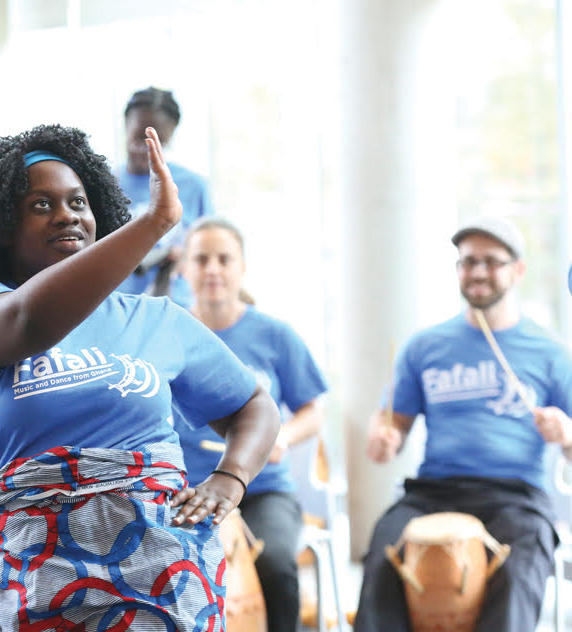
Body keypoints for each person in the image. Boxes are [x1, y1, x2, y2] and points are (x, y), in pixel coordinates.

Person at [0, 123, 281, 630]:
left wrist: (230, 479)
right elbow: (26, 322)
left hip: (163, 584)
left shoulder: (153, 319)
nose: (67, 216)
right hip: (32, 585)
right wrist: (154, 223)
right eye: (41, 205)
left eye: (79, 202)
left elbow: (253, 406)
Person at [354, 215, 572, 631]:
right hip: (434, 492)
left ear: (518, 270)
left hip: (517, 497)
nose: (478, 272)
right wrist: (385, 438)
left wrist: (566, 432)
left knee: (518, 569)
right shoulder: (424, 346)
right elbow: (394, 425)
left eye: (492, 261)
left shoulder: (551, 353)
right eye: (468, 261)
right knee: (385, 552)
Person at [173, 216, 328, 632]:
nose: (212, 269)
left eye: (224, 259)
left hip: (263, 492)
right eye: (201, 259)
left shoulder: (275, 335)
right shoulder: (167, 333)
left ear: (242, 267)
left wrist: (284, 436)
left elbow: (314, 410)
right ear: (183, 268)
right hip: (184, 491)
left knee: (276, 563)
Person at [115, 86, 214, 303]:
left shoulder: (193, 186)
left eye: (160, 143)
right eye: (139, 138)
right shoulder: (106, 184)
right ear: (126, 127)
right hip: (119, 304)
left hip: (177, 306)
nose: (147, 150)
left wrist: (186, 255)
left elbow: (212, 249)